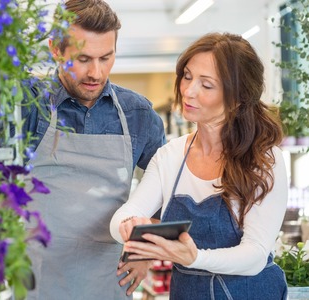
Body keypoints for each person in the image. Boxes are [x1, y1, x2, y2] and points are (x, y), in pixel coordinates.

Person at [110, 32, 289, 299]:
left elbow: (254, 255)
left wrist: (194, 257)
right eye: (187, 76)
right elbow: (121, 218)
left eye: (207, 85)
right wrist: (131, 228)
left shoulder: (264, 159)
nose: (189, 91)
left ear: (237, 98)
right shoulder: (170, 157)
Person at [21, 0, 166, 299]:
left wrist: (146, 249)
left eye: (106, 57)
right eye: (83, 58)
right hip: (36, 279)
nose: (96, 73)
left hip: (108, 282)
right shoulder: (28, 105)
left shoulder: (138, 114)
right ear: (55, 49)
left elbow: (170, 193)